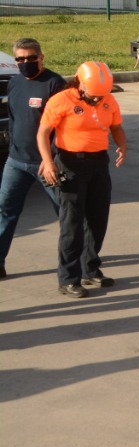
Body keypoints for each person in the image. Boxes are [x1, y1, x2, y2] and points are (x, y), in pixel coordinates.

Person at [36, 61, 127, 298]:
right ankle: (68, 278)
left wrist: (122, 145)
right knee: (72, 223)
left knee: (98, 219)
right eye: (93, 96)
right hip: (71, 163)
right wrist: (48, 162)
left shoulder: (108, 98)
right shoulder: (62, 100)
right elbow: (43, 133)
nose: (97, 100)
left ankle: (90, 268)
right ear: (79, 83)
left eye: (101, 96)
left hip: (99, 163)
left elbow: (116, 126)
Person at [0, 37, 65, 278]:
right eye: (20, 59)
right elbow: (15, 118)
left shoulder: (54, 83)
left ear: (41, 58)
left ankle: (83, 261)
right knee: (5, 212)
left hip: (46, 165)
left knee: (66, 213)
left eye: (30, 58)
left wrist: (54, 161)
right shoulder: (14, 82)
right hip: (15, 162)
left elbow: (64, 127)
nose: (25, 62)